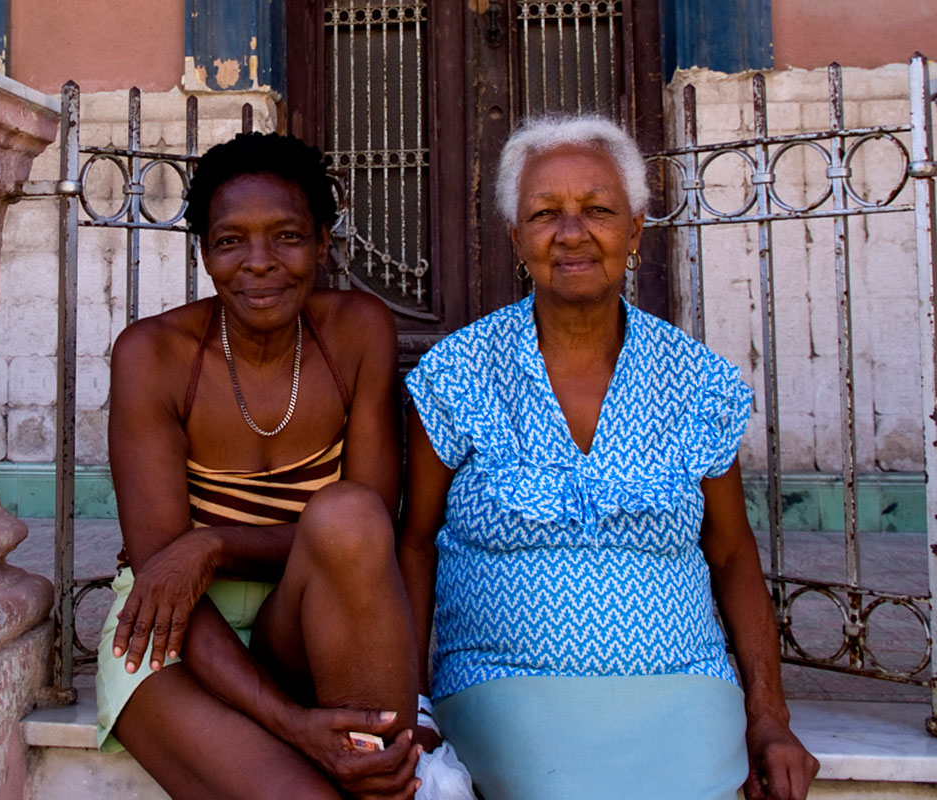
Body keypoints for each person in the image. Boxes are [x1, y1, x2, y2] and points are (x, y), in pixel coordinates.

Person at [398, 115, 820, 800]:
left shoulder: (698, 382)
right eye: (544, 214)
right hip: (501, 688)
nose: (572, 233)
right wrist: (412, 706)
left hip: (682, 686)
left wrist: (769, 718)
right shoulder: (459, 372)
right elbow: (414, 545)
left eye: (598, 210)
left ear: (636, 228)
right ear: (515, 237)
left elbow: (735, 555)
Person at [95, 131, 422, 800]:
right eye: (229, 241)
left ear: (325, 243)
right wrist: (294, 726)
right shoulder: (152, 356)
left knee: (352, 513)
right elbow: (167, 580)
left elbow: (366, 537)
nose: (260, 263)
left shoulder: (358, 332)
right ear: (206, 255)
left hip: (303, 617)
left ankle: (387, 756)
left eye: (288, 237)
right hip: (172, 633)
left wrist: (212, 543)